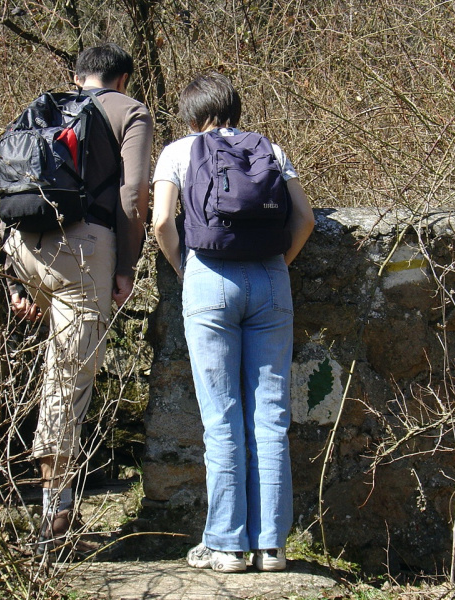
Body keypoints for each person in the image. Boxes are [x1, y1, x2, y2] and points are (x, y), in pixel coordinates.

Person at [152, 73, 315, 572]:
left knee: (221, 417)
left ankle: (226, 546)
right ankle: (271, 546)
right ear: (234, 109)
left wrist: (186, 270)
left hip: (209, 277)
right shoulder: (271, 149)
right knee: (271, 416)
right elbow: (305, 219)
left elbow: (161, 222)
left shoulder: (178, 152)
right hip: (271, 278)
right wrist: (278, 267)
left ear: (192, 115)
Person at [2, 42, 153, 558]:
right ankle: (56, 520)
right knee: (66, 383)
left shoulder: (43, 107)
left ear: (77, 76)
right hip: (83, 255)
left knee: (54, 373)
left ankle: (47, 503)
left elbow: (7, 187)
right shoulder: (130, 111)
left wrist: (15, 281)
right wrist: (127, 265)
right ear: (123, 78)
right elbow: (134, 194)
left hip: (24, 248)